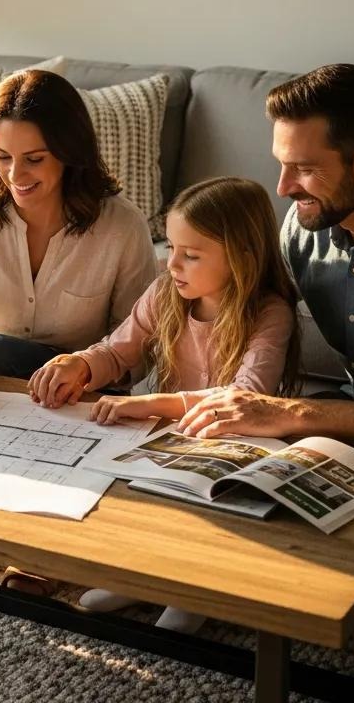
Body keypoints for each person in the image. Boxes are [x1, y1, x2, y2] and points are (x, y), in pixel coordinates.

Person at [175, 64, 354, 668]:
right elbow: (247, 306)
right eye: (281, 163)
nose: (282, 187)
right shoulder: (304, 229)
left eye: (303, 168)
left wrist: (291, 413)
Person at [0, 69, 158, 571]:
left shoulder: (120, 225)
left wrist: (84, 367)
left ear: (69, 152)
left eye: (34, 159)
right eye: (3, 158)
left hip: (80, 395)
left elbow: (141, 342)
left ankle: (36, 548)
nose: (15, 175)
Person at [30, 176, 298, 630]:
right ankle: (139, 575)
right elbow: (118, 350)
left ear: (242, 258)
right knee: (132, 490)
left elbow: (243, 398)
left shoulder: (270, 314)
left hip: (239, 443)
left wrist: (155, 403)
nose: (172, 263)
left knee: (208, 499)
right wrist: (82, 364)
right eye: (172, 247)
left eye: (190, 255)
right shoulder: (166, 294)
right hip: (172, 438)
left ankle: (193, 588)